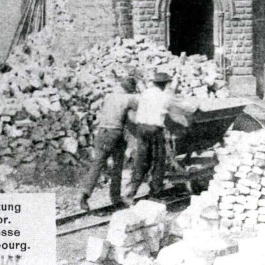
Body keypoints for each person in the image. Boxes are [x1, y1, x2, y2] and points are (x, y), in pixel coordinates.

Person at [123, 72, 198, 206]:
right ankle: (155, 193)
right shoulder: (166, 96)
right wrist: (194, 107)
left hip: (140, 129)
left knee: (141, 160)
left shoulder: (146, 93)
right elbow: (187, 108)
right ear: (165, 84)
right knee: (158, 161)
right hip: (154, 130)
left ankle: (130, 191)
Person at [79, 77, 139, 211]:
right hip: (115, 133)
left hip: (100, 133)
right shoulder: (129, 98)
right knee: (117, 166)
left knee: (97, 164)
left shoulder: (109, 97)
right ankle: (116, 199)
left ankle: (84, 195)